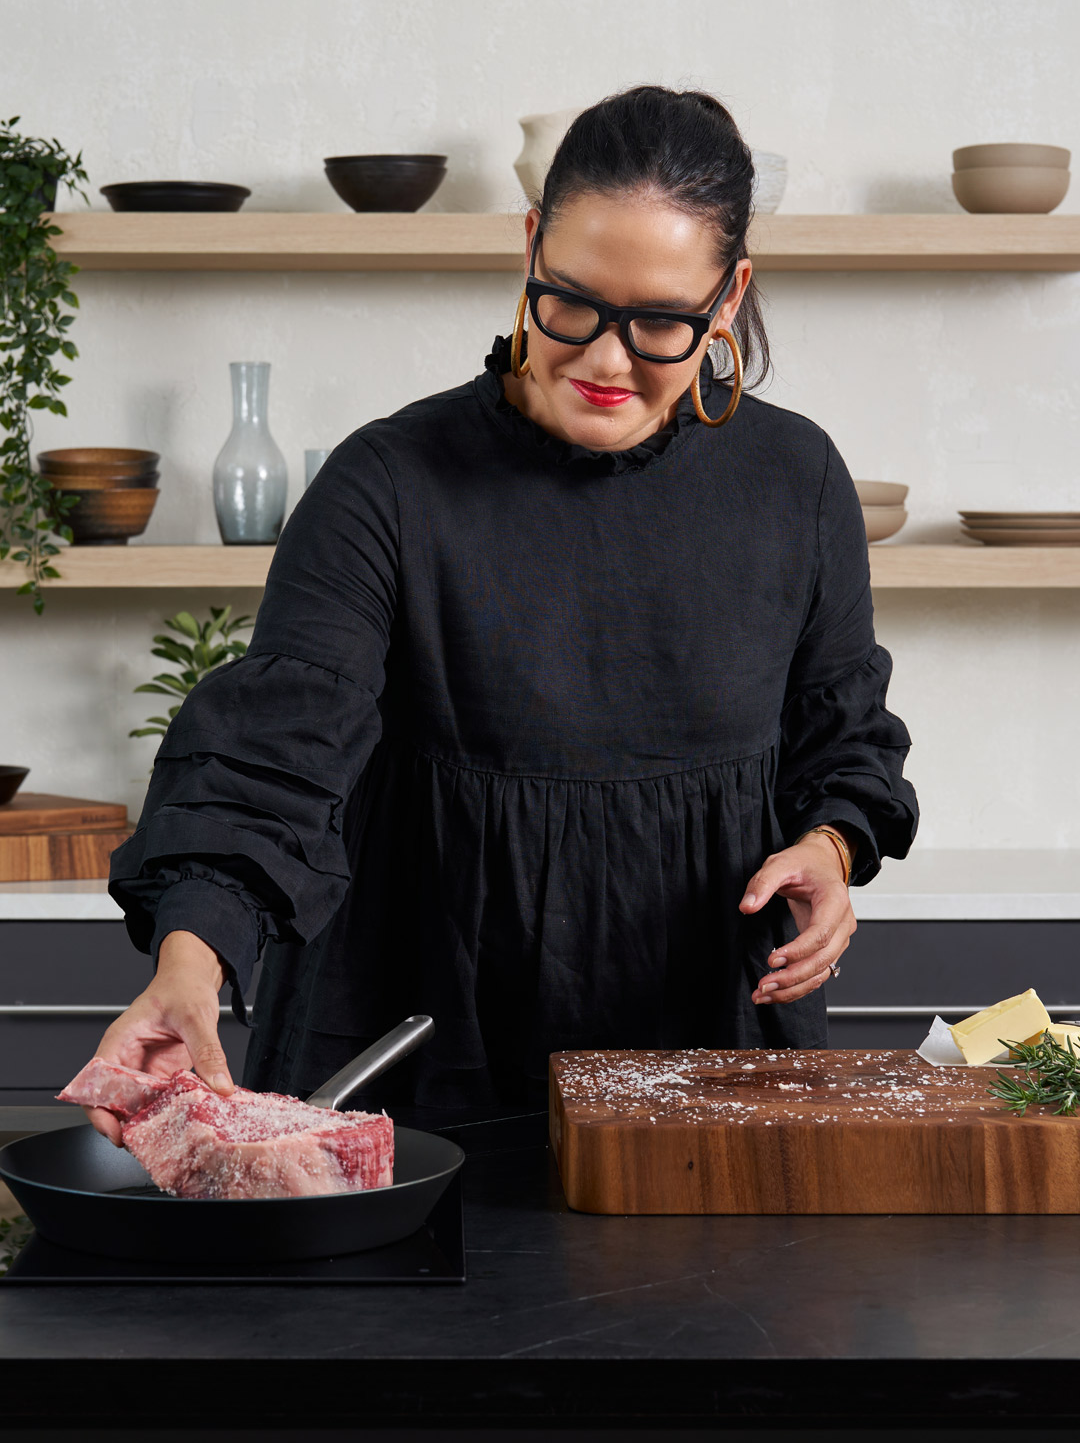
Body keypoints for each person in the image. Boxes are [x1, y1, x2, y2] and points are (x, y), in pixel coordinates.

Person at [89, 84, 918, 1142]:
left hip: (711, 1063)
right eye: (572, 302)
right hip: (419, 1061)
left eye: (662, 321)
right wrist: (191, 965)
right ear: (530, 244)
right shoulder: (386, 484)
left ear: (728, 295)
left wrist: (829, 851)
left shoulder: (795, 479)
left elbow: (841, 737)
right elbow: (275, 754)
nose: (607, 360)